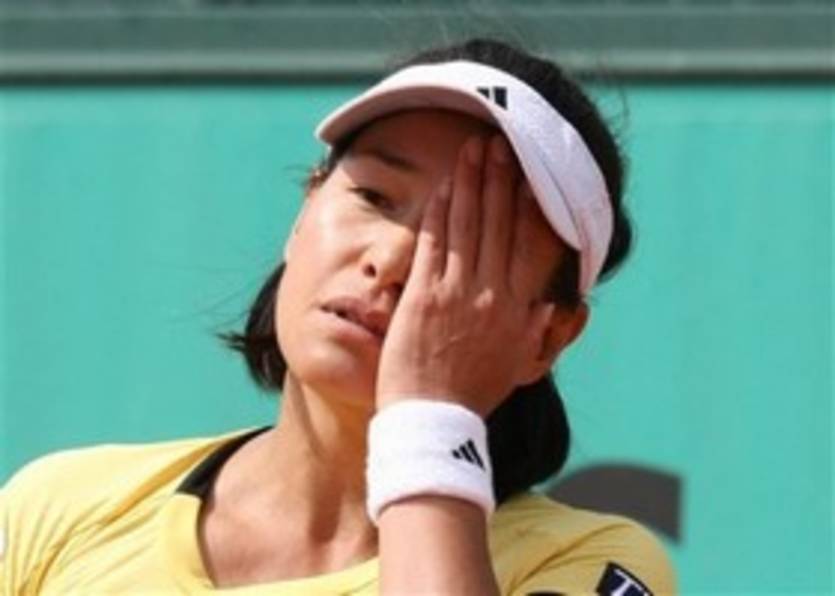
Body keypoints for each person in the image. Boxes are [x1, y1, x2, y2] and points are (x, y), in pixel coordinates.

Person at [0, 38, 675, 594]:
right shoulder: (55, 506)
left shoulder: (592, 562)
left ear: (548, 336)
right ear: (306, 209)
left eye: (472, 245)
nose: (391, 260)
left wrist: (428, 415)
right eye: (375, 197)